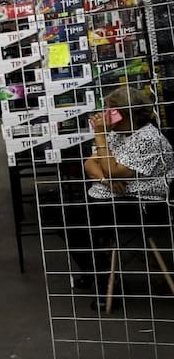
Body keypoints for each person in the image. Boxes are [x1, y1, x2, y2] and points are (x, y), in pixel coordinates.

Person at [67, 86, 174, 309]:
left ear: (123, 113)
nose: (104, 114)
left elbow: (114, 169)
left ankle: (108, 283)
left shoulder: (148, 138)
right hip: (113, 196)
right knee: (67, 215)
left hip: (142, 204)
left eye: (109, 109)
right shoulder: (118, 134)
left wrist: (100, 138)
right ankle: (97, 272)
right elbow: (91, 163)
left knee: (78, 223)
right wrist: (106, 179)